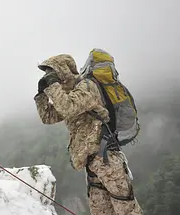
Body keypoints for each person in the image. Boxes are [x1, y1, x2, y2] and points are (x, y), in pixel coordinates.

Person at [34, 54, 142, 215]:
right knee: (101, 211)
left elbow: (67, 108)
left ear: (63, 71)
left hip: (107, 158)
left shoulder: (87, 86)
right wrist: (41, 94)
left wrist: (52, 85)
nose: (48, 77)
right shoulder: (72, 95)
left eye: (51, 73)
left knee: (126, 210)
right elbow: (48, 117)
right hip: (93, 163)